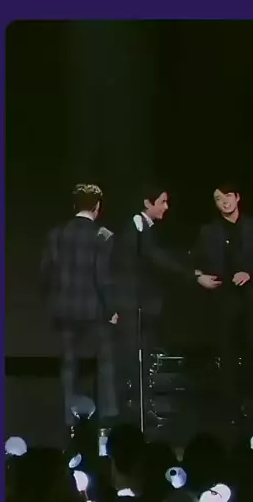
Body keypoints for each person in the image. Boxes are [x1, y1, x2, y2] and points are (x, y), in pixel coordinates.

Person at [111, 184, 221, 424]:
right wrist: (193, 276)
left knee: (142, 359)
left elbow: (161, 255)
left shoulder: (145, 229)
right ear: (147, 203)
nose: (166, 207)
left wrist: (192, 268)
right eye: (162, 201)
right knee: (132, 361)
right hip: (133, 305)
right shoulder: (136, 226)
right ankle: (126, 416)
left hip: (142, 306)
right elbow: (156, 258)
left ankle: (140, 411)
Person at [191, 181, 253, 422]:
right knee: (226, 353)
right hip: (223, 300)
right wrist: (199, 276)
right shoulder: (208, 232)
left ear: (237, 197)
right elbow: (194, 262)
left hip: (251, 299)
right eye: (218, 198)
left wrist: (250, 273)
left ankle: (251, 402)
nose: (224, 201)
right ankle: (231, 410)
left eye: (227, 196)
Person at [40, 183, 119, 430]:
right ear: (97, 206)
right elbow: (103, 277)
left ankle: (68, 417)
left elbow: (45, 273)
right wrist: (111, 309)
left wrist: (51, 300)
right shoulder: (103, 235)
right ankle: (108, 414)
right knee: (104, 361)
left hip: (64, 309)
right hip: (94, 309)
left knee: (68, 364)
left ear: (75, 205)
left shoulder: (56, 234)